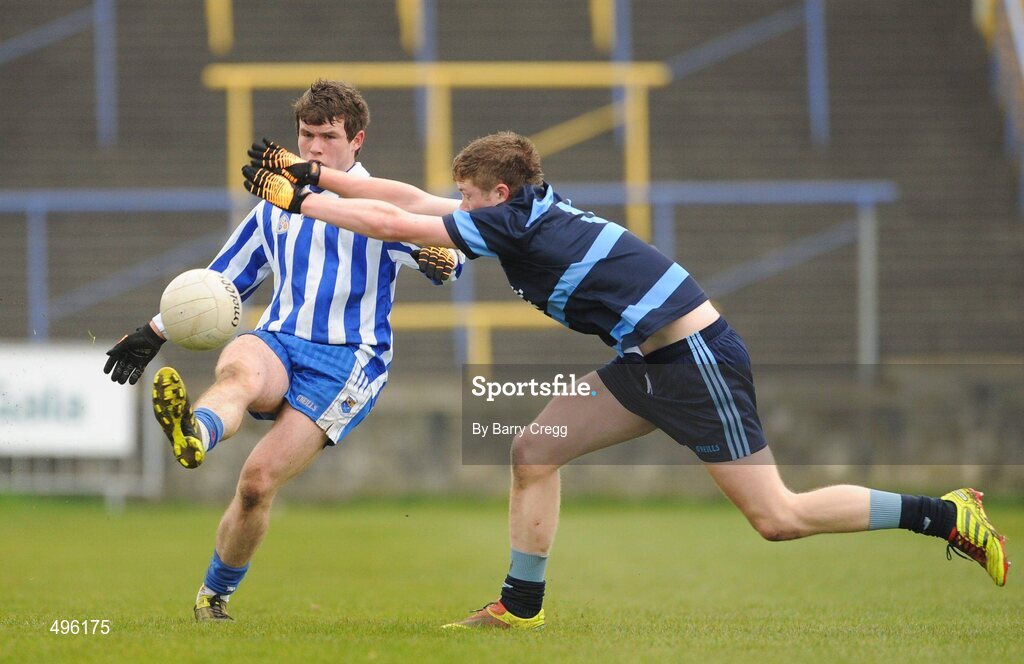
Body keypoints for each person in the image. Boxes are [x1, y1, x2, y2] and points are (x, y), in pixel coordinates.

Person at [241, 130, 1010, 631]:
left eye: (469, 196)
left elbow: (394, 225)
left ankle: (943, 516)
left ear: (498, 196)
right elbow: (409, 200)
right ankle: (520, 606)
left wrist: (304, 201)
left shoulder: (508, 221)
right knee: (534, 452)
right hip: (647, 360)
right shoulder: (520, 210)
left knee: (778, 517)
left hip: (696, 357)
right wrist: (313, 173)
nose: (461, 207)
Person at [102, 79, 463, 622]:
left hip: (348, 362)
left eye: (327, 137)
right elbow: (223, 280)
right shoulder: (278, 201)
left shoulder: (384, 202)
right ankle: (195, 432)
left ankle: (213, 596)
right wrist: (154, 329)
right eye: (306, 135)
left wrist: (442, 255)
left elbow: (447, 254)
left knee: (255, 484)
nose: (314, 148)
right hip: (278, 340)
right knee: (240, 372)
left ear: (356, 140)